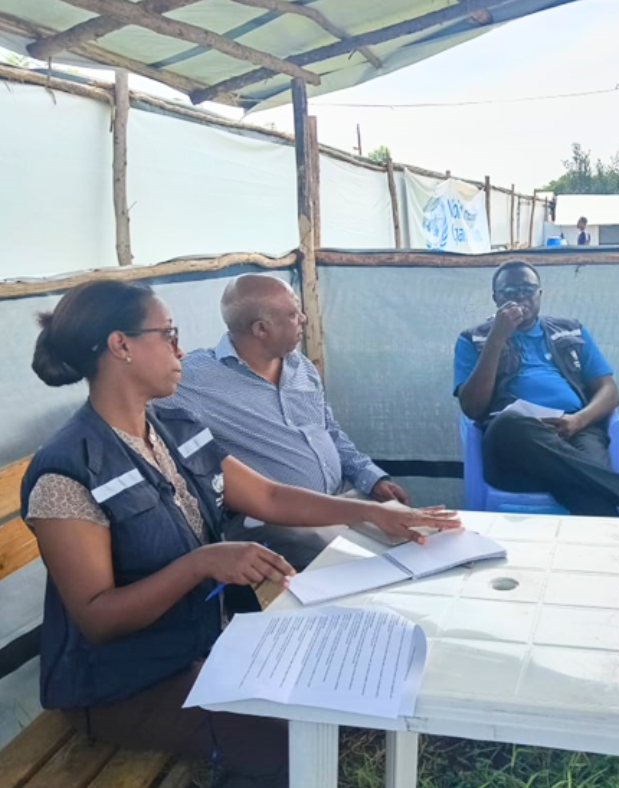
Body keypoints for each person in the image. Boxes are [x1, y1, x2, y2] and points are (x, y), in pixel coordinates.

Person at [23, 280, 458, 786]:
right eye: (167, 334)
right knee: (293, 749)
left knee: (337, 689)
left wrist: (373, 513)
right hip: (121, 683)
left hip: (202, 645)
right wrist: (202, 563)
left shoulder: (175, 427)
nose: (180, 348)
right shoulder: (67, 470)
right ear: (121, 345)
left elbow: (269, 496)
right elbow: (97, 618)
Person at [158, 274, 411, 568]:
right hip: (282, 523)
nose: (303, 319)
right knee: (373, 568)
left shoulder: (300, 365)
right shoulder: (194, 380)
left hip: (344, 497)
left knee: (416, 539)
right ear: (261, 329)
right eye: (293, 314)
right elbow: (135, 402)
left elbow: (329, 431)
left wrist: (370, 475)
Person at [454, 261, 619, 520]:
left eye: (527, 289)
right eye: (509, 292)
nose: (520, 297)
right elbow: (473, 408)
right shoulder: (472, 339)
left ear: (540, 294)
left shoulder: (571, 329)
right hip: (514, 447)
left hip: (576, 428)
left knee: (587, 491)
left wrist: (578, 421)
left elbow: (609, 392)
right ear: (495, 298)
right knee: (509, 424)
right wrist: (497, 339)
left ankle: (606, 551)